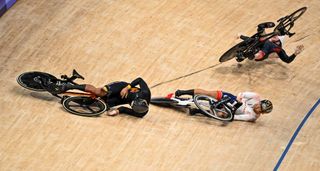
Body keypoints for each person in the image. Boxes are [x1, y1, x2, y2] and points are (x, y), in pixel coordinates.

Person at [47, 77, 151, 118]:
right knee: (99, 92)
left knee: (102, 105)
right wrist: (128, 87)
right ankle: (70, 86)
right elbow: (140, 80)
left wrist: (117, 111)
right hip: (122, 87)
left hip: (120, 99)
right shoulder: (145, 92)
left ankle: (71, 100)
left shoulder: (141, 113)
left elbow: (124, 109)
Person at [175, 89, 273, 122]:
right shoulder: (255, 96)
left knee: (222, 116)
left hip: (231, 109)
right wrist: (238, 100)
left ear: (262, 113)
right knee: (209, 93)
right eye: (259, 106)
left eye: (260, 110)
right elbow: (241, 94)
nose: (258, 109)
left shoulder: (252, 117)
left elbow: (236, 117)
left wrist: (228, 114)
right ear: (260, 102)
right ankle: (182, 92)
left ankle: (198, 111)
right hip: (232, 99)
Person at [238, 22, 304, 63]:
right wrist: (241, 36)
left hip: (263, 52)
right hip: (261, 44)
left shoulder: (278, 49)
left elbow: (287, 60)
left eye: (277, 37)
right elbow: (253, 38)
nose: (275, 36)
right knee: (260, 37)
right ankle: (261, 28)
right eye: (275, 35)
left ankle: (245, 55)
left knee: (262, 51)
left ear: (279, 43)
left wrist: (295, 54)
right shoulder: (268, 39)